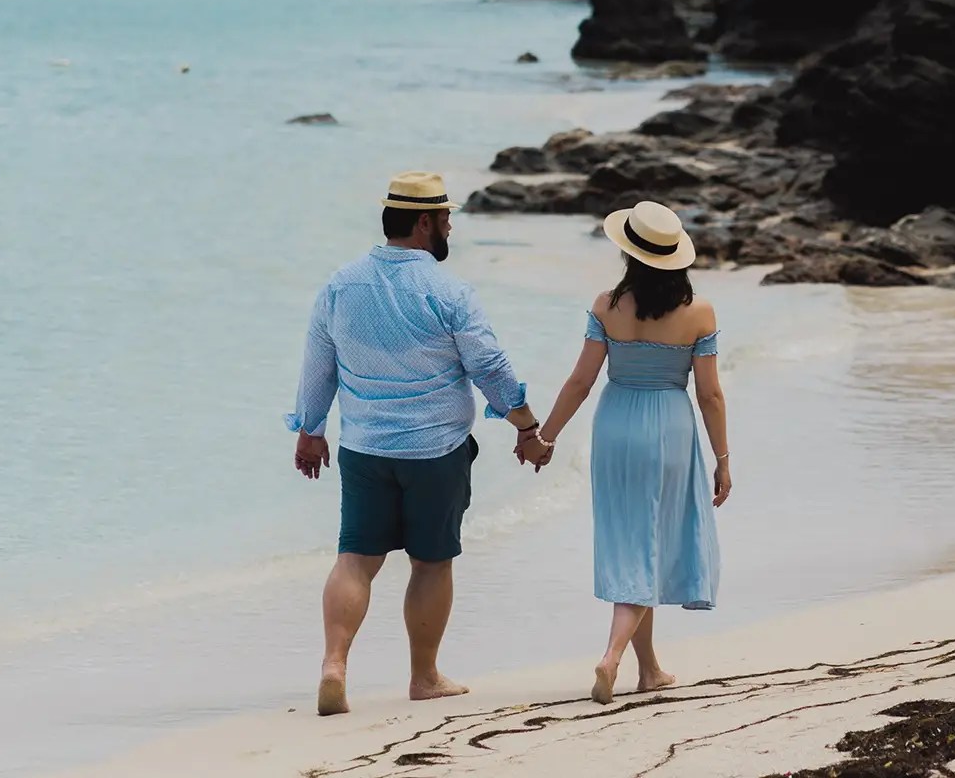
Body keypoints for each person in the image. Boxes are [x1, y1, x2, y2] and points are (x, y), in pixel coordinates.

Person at [285, 171, 544, 714]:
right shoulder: (448, 290)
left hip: (364, 449)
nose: (451, 226)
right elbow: (489, 366)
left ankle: (335, 665)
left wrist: (311, 430)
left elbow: (318, 364)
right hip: (435, 452)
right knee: (431, 562)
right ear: (425, 222)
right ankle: (423, 677)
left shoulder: (341, 283)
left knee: (355, 559)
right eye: (447, 217)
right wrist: (523, 422)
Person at [523, 199, 730, 705]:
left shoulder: (605, 305)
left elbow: (579, 382)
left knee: (633, 541)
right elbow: (709, 395)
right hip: (668, 428)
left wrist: (543, 437)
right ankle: (613, 656)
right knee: (650, 541)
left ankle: (650, 669)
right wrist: (723, 459)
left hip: (615, 425)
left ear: (631, 255)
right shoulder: (699, 312)